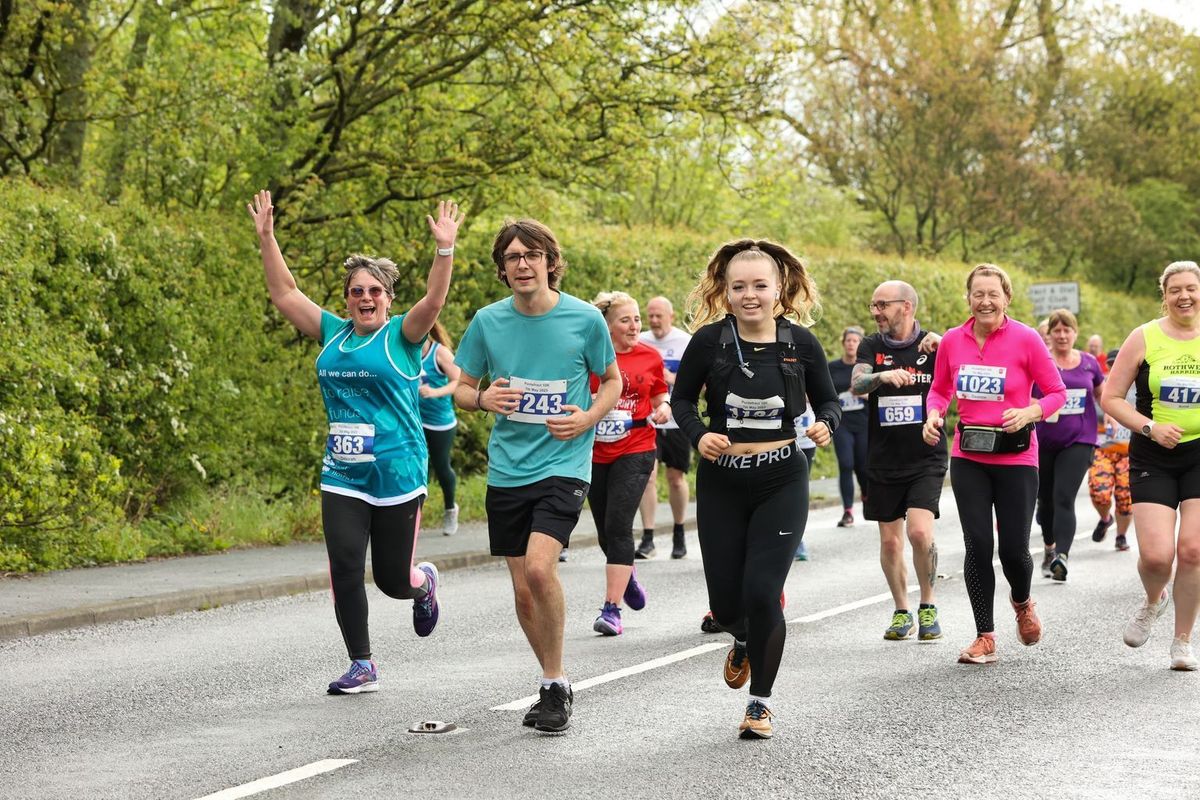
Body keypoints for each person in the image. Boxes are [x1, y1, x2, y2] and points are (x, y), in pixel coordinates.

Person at [246, 191, 462, 694]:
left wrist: (444, 250)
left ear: (388, 297)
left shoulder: (404, 337)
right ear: (347, 298)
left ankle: (423, 583)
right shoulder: (333, 334)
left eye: (375, 291)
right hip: (343, 472)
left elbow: (433, 300)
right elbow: (284, 294)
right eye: (356, 291)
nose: (365, 299)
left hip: (396, 472)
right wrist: (267, 238)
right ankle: (362, 664)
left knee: (391, 580)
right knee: (344, 564)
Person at [453, 219, 621, 733]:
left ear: (550, 261)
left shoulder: (585, 318)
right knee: (523, 590)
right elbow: (460, 387)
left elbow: (613, 380)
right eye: (512, 257)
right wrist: (483, 399)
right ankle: (554, 683)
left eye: (532, 255)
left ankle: (554, 680)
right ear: (502, 269)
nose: (522, 264)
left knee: (540, 570)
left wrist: (588, 418)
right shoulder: (487, 321)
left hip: (564, 463)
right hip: (508, 468)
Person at [672, 239, 840, 739]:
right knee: (726, 606)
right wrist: (700, 435)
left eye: (760, 286)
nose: (750, 296)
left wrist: (826, 424)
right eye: (739, 286)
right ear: (725, 291)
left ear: (779, 288)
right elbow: (681, 401)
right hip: (723, 480)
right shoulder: (708, 341)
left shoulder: (801, 343)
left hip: (782, 477)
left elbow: (828, 401)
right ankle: (744, 638)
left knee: (763, 591)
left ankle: (760, 703)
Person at [923, 264, 1066, 665]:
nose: (985, 301)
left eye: (993, 294)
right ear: (968, 298)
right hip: (968, 454)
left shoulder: (1026, 339)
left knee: (1015, 551)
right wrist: (933, 415)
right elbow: (939, 390)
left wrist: (1030, 411)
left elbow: (1056, 392)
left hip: (1017, 456)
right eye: (978, 294)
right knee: (978, 545)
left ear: (1007, 298)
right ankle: (984, 635)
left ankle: (1021, 602)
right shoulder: (953, 340)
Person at [1102, 260, 1200, 671]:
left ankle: (1182, 640)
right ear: (1165, 295)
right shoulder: (1143, 337)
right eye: (1175, 289)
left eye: (1191, 288)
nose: (1184, 296)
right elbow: (1111, 398)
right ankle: (1154, 599)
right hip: (1153, 456)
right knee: (1158, 558)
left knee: (1193, 550)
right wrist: (1149, 427)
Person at [852, 281, 947, 641]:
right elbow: (857, 384)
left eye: (882, 305)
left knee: (920, 532)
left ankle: (928, 604)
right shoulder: (871, 346)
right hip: (883, 458)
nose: (875, 312)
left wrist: (944, 343)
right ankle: (901, 610)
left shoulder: (933, 347)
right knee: (891, 543)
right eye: (872, 305)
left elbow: (964, 368)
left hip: (926, 455)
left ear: (906, 307)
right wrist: (881, 376)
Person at [588, 292, 670, 636]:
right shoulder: (590, 358)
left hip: (636, 447)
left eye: (637, 319)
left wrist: (663, 407)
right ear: (607, 327)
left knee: (620, 525)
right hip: (593, 452)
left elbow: (659, 394)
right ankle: (628, 574)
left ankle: (611, 610)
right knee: (606, 531)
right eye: (626, 320)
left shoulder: (649, 357)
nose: (635, 326)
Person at [1034, 309, 1105, 582]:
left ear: (1075, 333)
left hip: (1079, 440)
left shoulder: (1089, 363)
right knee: (1046, 501)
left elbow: (1102, 394)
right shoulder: (1040, 362)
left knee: (1064, 496)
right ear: (1049, 335)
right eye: (1057, 330)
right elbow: (1025, 397)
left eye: (1067, 330)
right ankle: (1050, 548)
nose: (1062, 335)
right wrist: (1040, 406)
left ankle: (1062, 557)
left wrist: (1109, 413)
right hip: (1042, 441)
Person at [636, 296, 693, 560]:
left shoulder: (685, 342)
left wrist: (674, 379)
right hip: (647, 419)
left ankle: (679, 531)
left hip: (678, 420)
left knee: (675, 478)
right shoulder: (641, 341)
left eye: (659, 316)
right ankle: (648, 538)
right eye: (651, 316)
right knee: (647, 475)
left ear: (671, 315)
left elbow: (701, 384)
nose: (655, 321)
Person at [419, 321, 462, 535]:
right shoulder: (405, 353)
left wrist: (435, 392)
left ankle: (450, 509)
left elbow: (460, 381)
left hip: (440, 421)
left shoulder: (440, 352)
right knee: (416, 467)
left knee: (441, 466)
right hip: (414, 420)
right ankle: (413, 518)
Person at [1089, 349, 1134, 551]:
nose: (1116, 367)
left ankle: (1121, 536)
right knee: (1099, 492)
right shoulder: (1100, 387)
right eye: (1111, 363)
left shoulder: (1140, 387)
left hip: (1129, 452)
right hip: (1103, 450)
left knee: (1125, 497)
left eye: (1119, 362)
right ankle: (1105, 518)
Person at [829, 325, 869, 527]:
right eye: (848, 340)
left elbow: (879, 394)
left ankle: (867, 496)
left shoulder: (866, 367)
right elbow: (823, 392)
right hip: (842, 423)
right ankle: (847, 512)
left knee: (862, 467)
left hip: (864, 423)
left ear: (860, 344)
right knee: (846, 464)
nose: (851, 344)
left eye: (855, 341)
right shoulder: (832, 367)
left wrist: (863, 394)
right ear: (843, 343)